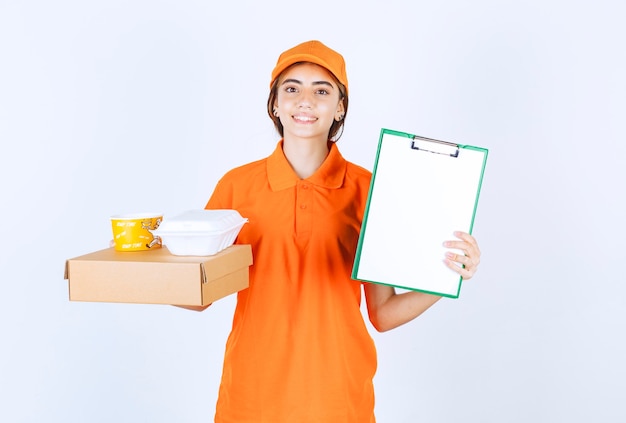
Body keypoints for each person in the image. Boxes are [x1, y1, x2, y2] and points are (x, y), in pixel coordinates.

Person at [187, 40, 481, 423]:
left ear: (340, 106)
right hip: (251, 399)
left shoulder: (368, 189)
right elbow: (198, 297)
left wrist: (447, 276)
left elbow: (383, 314)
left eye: (321, 90)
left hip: (340, 401)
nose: (305, 100)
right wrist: (154, 264)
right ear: (275, 103)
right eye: (291, 88)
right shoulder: (236, 186)